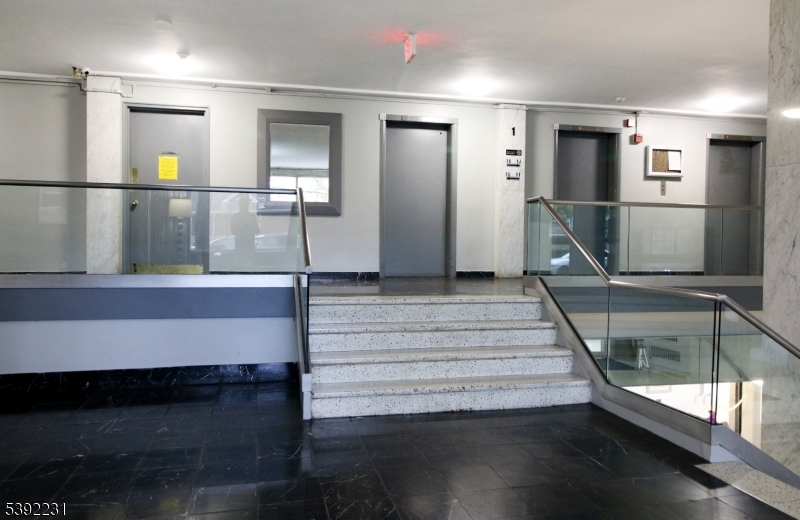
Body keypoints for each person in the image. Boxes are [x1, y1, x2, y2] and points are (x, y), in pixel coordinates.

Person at [230, 196, 259, 269]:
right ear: (240, 205)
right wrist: (244, 227)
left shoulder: (251, 217)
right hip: (240, 245)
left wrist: (251, 227)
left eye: (246, 204)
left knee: (249, 266)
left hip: (249, 245)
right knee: (240, 266)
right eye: (244, 204)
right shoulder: (235, 217)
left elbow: (257, 230)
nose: (245, 206)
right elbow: (233, 231)